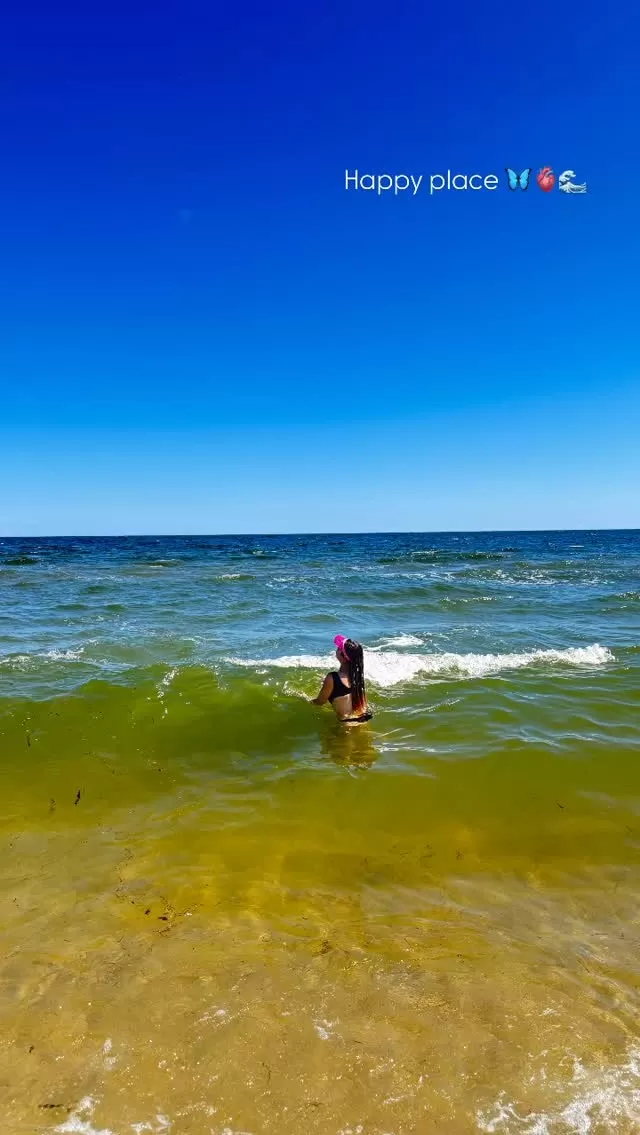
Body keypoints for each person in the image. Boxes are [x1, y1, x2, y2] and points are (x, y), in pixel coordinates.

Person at [312, 635, 373, 724]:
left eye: (339, 648)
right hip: (363, 721)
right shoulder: (358, 677)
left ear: (343, 657)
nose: (337, 648)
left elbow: (319, 702)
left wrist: (303, 700)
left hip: (345, 726)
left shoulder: (332, 678)